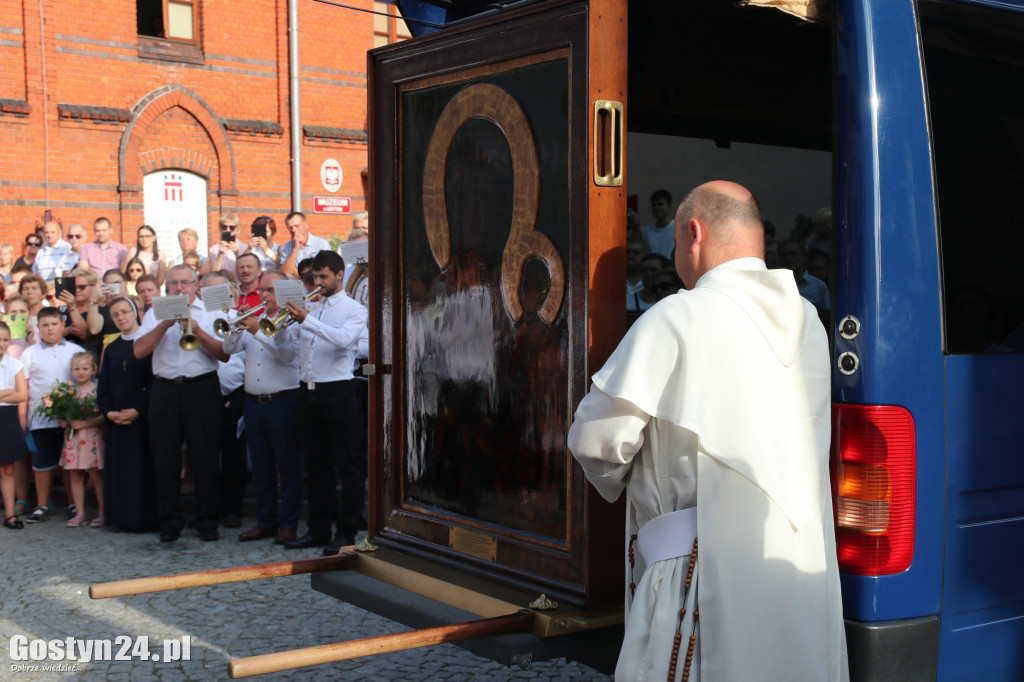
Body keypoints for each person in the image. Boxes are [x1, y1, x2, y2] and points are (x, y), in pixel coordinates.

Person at [568, 181, 848, 682]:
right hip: (795, 572)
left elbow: (596, 440)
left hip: (694, 576)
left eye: (675, 242)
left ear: (693, 233)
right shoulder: (809, 321)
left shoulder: (677, 316)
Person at [282, 250, 368, 554]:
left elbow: (344, 340)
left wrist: (306, 320)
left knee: (348, 466)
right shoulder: (312, 309)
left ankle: (346, 533)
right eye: (313, 277)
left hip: (339, 392)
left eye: (323, 277)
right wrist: (284, 325)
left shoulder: (354, 309)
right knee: (316, 467)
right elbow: (289, 347)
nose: (317, 283)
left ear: (339, 275)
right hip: (308, 392)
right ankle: (318, 529)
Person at [133, 264, 228, 542]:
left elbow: (224, 354)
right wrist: (164, 323)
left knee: (205, 456)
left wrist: (197, 330)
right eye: (173, 284)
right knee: (165, 459)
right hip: (165, 390)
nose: (179, 289)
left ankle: (208, 520)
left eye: (185, 283)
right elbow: (138, 351)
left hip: (202, 387)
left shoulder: (212, 311)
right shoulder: (154, 313)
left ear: (196, 284)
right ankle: (170, 521)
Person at [224, 271, 302, 544]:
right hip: (253, 403)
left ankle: (289, 523)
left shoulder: (293, 321)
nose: (265, 295)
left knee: (288, 466)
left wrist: (258, 332)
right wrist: (235, 326)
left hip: (283, 401)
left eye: (270, 290)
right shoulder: (256, 320)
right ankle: (266, 521)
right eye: (263, 290)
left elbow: (287, 354)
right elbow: (229, 350)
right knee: (261, 467)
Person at [97, 297, 157, 531]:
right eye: (116, 315)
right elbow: (104, 385)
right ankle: (120, 519)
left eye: (125, 312)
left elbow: (153, 382)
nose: (121, 317)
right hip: (116, 421)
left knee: (141, 469)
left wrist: (137, 410)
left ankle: (142, 519)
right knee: (119, 470)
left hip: (141, 420)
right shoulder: (112, 348)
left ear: (135, 313)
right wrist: (109, 412)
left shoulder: (147, 343)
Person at [20, 307, 85, 523]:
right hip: (40, 418)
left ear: (62, 325)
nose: (50, 329)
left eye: (54, 324)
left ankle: (74, 503)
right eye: (45, 325)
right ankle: (41, 505)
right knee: (43, 463)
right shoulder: (29, 353)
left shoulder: (75, 350)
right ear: (38, 327)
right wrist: (23, 416)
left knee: (69, 462)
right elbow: (25, 386)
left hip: (70, 417)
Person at [199, 272, 247, 529]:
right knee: (204, 454)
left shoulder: (237, 316)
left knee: (233, 455)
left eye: (219, 290)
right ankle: (208, 508)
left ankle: (232, 508)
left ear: (231, 292)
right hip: (203, 394)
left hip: (234, 392)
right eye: (208, 290)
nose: (214, 295)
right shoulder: (196, 316)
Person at [61, 352, 105, 528]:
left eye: (85, 368)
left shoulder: (97, 390)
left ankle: (102, 512)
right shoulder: (68, 392)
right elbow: (62, 414)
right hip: (73, 439)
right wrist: (63, 420)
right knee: (75, 475)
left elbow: (104, 415)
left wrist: (86, 423)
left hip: (91, 437)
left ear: (93, 370)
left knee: (95, 475)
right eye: (76, 368)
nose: (81, 372)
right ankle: (80, 512)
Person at [0, 320, 28, 529]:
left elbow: (22, 394)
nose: (1, 343)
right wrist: (8, 392)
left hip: (7, 416)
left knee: (8, 468)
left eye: (5, 340)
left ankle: (10, 514)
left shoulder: (14, 364)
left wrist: (8, 394)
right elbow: (15, 392)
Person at [779, 238, 830, 313]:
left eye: (793, 254)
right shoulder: (771, 285)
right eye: (784, 254)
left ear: (804, 256)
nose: (788, 258)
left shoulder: (818, 286)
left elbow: (826, 317)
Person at [279, 212, 330, 277]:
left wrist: (295, 272)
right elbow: (284, 272)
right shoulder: (286, 247)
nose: (293, 230)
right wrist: (295, 249)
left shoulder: (321, 244)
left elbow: (327, 270)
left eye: (297, 226)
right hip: (293, 285)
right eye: (290, 227)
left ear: (306, 225)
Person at [640, 189, 675, 258]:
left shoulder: (679, 228)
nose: (656, 207)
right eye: (654, 205)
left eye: (660, 204)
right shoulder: (645, 231)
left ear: (669, 207)